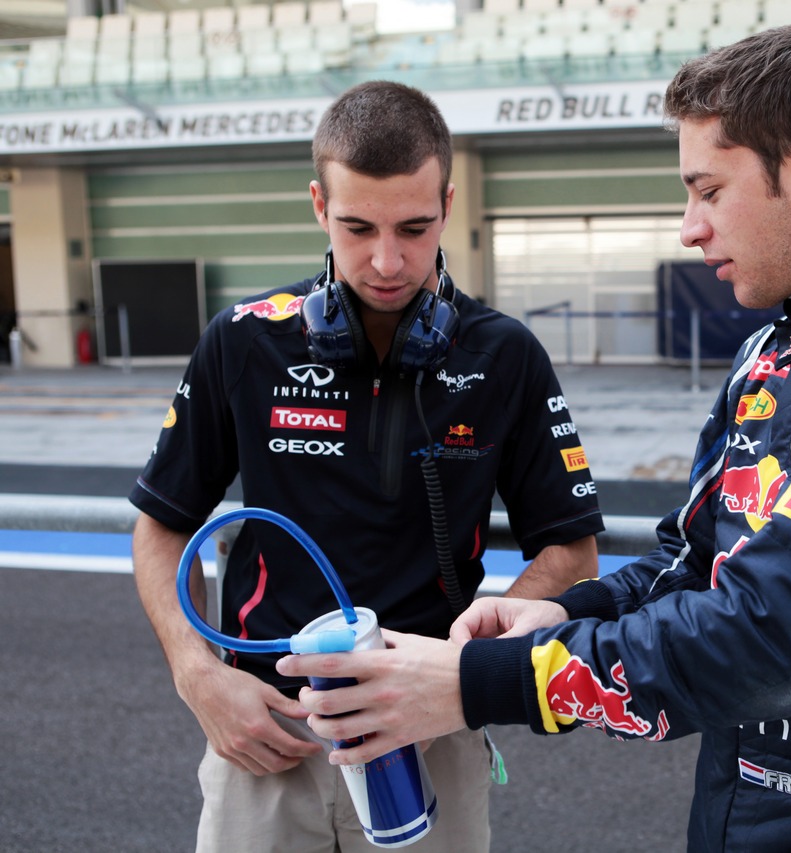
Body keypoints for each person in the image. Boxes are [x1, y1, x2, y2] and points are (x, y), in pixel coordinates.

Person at [279, 26, 791, 851]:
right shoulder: (774, 351)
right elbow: (693, 565)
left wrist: (477, 684)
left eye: (708, 190)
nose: (689, 228)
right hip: (731, 810)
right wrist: (556, 610)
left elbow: (775, 636)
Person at [130, 80, 603, 852]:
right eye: (357, 227)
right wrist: (198, 676)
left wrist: (461, 673)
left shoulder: (505, 353)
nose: (387, 261)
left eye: (415, 227)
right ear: (319, 204)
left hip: (428, 728)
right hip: (268, 729)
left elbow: (571, 550)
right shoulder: (243, 340)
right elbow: (160, 524)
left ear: (449, 202)